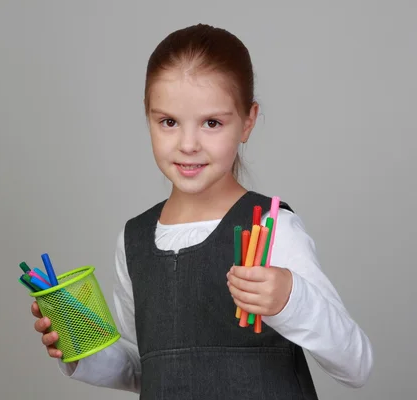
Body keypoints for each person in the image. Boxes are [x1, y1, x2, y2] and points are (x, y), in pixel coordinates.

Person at [30, 23, 373, 399]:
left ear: (248, 121)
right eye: (169, 122)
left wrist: (291, 298)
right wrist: (82, 352)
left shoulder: (273, 228)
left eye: (212, 123)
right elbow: (152, 368)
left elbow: (356, 366)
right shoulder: (133, 240)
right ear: (148, 119)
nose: (188, 144)